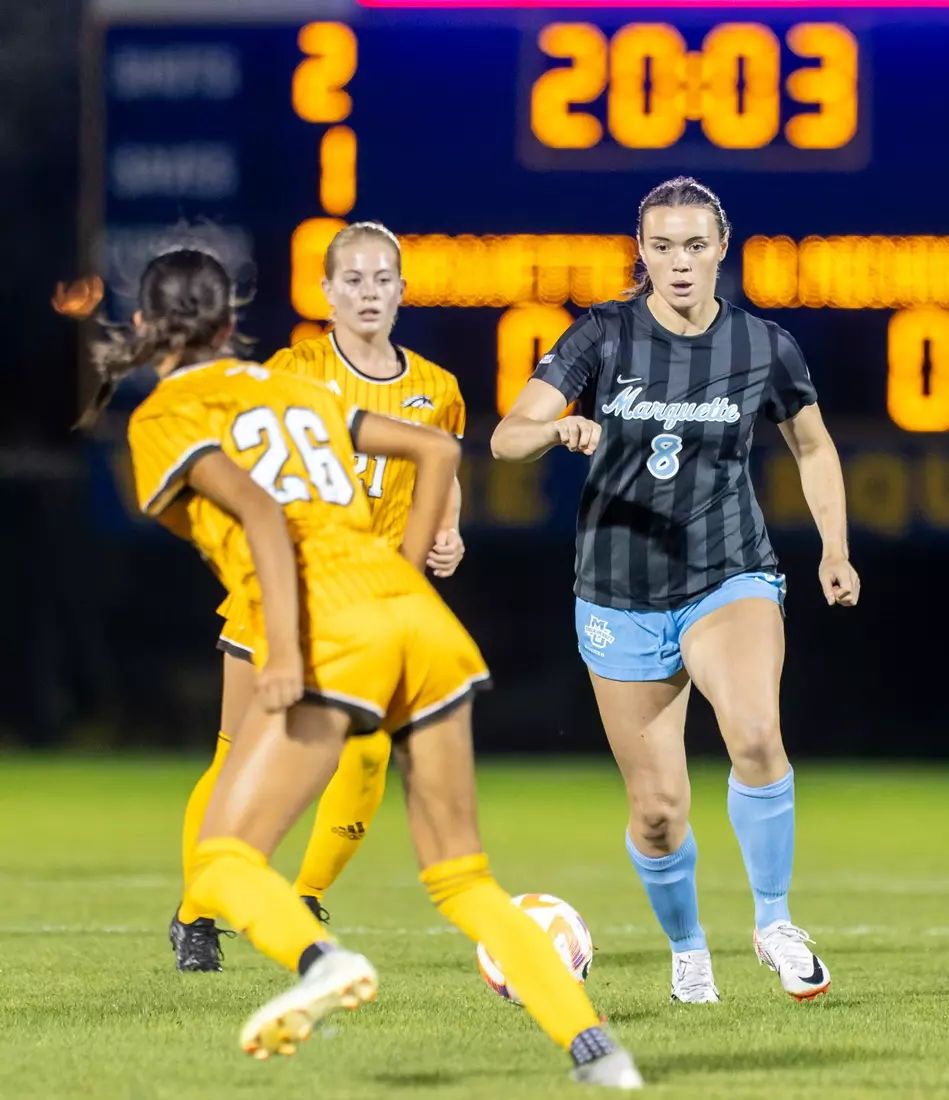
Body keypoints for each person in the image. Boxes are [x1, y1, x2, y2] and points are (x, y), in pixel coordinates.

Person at [97, 247, 641, 1086]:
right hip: (416, 618)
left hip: (325, 624)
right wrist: (411, 574)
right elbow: (435, 450)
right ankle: (598, 1054)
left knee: (223, 861)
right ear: (230, 322)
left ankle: (320, 959)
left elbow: (258, 518)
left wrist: (285, 650)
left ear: (143, 324)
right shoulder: (294, 387)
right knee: (462, 878)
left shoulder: (164, 416)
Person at [491, 177, 859, 1003]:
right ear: (642, 252)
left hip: (727, 571)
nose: (680, 262)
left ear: (721, 248)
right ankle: (688, 951)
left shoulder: (762, 346)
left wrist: (833, 549)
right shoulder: (601, 333)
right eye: (662, 247)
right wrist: (554, 427)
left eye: (695, 245)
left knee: (755, 733)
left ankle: (774, 923)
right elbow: (506, 437)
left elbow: (813, 446)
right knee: (657, 811)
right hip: (617, 590)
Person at [170, 222, 468, 971]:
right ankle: (196, 914)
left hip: (369, 608)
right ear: (327, 291)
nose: (368, 293)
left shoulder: (437, 389)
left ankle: (302, 899)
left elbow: (443, 478)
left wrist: (449, 531)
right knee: (237, 756)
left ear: (402, 291)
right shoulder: (293, 370)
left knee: (366, 756)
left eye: (382, 279)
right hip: (285, 591)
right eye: (353, 280)